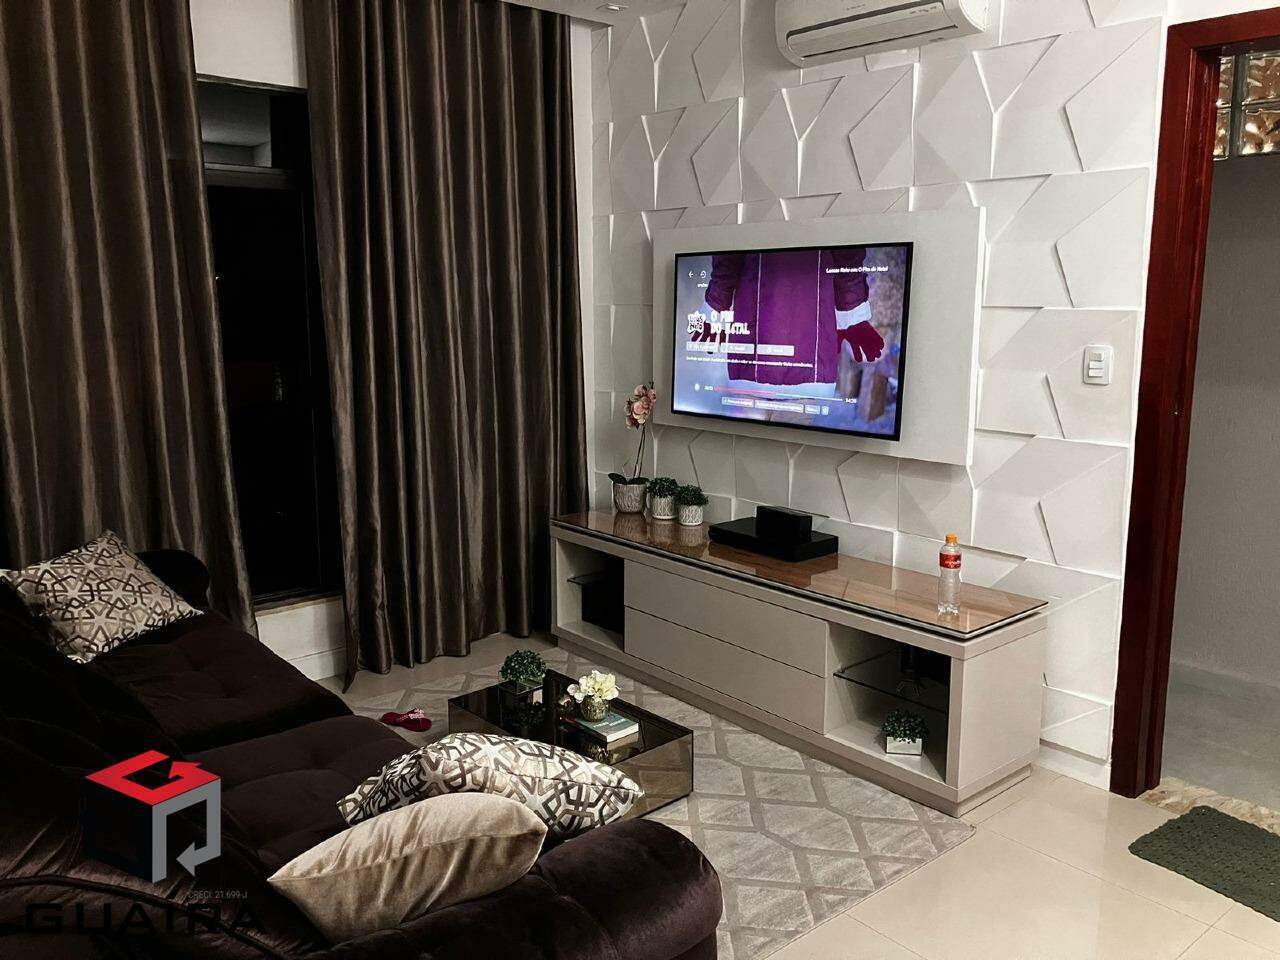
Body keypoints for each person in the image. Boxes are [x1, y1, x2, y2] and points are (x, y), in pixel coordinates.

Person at [702, 247, 885, 388]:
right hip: (810, 370)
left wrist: (716, 305)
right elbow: (847, 257)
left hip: (758, 370)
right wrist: (852, 313)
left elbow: (728, 260)